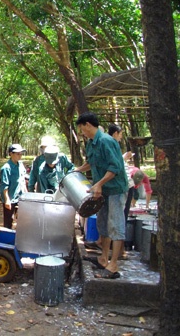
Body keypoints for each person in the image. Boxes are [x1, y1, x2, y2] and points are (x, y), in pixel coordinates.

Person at [75, 112, 128, 279]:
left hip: (115, 190)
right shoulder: (91, 143)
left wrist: (99, 184)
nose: (82, 132)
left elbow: (115, 167)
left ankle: (113, 265)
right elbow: (91, 163)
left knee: (115, 225)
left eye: (82, 129)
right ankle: (103, 258)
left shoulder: (107, 141)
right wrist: (77, 170)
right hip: (102, 191)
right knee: (103, 223)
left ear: (88, 125)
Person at [0, 144, 28, 229]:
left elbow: (22, 181)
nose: (20, 156)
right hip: (10, 198)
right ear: (11, 154)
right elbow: (4, 185)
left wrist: (26, 194)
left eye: (21, 154)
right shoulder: (6, 168)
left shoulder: (20, 165)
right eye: (17, 154)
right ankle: (6, 240)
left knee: (22, 220)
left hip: (20, 197)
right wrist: (7, 200)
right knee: (8, 222)